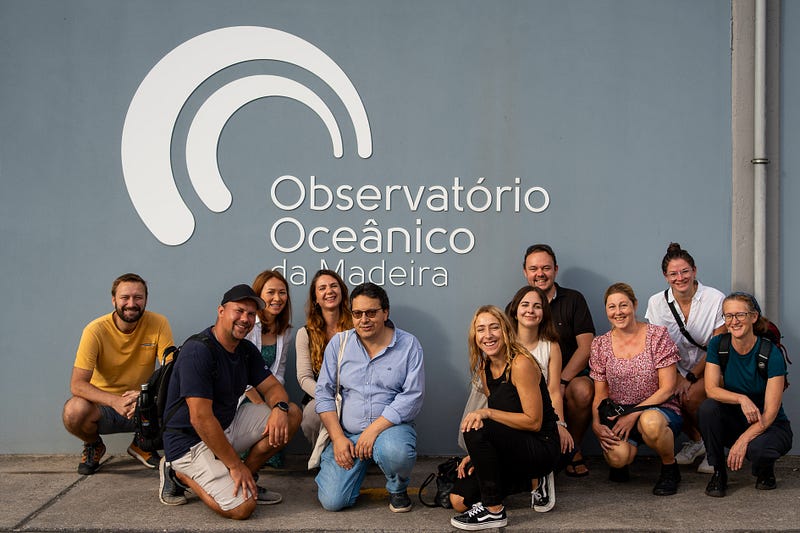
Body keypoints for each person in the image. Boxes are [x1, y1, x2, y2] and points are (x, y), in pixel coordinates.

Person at [159, 284, 301, 519]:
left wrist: (280, 407)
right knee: (242, 508)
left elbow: (273, 387)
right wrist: (235, 465)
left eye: (251, 314)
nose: (245, 319)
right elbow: (200, 418)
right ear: (221, 311)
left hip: (225, 427)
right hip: (190, 443)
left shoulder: (245, 349)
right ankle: (177, 473)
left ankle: (248, 479)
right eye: (239, 311)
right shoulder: (198, 350)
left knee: (292, 414)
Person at [315, 283, 424, 513]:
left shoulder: (409, 345)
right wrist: (337, 438)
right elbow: (323, 393)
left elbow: (412, 397)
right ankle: (347, 470)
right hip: (348, 436)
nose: (364, 319)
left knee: (396, 452)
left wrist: (373, 431)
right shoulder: (339, 344)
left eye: (371, 312)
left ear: (386, 312)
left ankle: (397, 488)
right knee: (333, 502)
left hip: (389, 430)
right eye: (357, 314)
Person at [449, 306, 559, 530]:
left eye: (494, 328)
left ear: (506, 330)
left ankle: (494, 511)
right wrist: (478, 454)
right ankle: (533, 482)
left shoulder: (521, 364)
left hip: (541, 446)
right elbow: (500, 424)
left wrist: (487, 413)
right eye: (481, 329)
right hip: (513, 445)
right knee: (459, 501)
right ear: (475, 336)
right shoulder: (484, 368)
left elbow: (534, 422)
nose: (487, 335)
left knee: (476, 426)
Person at [62, 273, 174, 475]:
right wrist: (114, 401)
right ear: (114, 300)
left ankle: (142, 445)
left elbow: (171, 370)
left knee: (181, 397)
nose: (131, 303)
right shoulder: (95, 330)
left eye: (138, 297)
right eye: (125, 297)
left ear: (146, 299)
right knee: (73, 412)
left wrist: (143, 397)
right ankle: (93, 445)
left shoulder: (159, 323)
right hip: (104, 406)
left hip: (142, 404)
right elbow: (77, 384)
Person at [590, 283, 682, 496]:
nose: (618, 312)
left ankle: (670, 468)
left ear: (634, 305)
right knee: (618, 457)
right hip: (619, 414)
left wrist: (635, 414)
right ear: (606, 310)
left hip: (659, 408)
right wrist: (596, 424)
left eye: (623, 305)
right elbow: (600, 394)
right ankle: (621, 465)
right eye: (612, 307)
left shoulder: (657, 336)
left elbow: (668, 388)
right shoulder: (600, 344)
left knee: (649, 423)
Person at [699, 292, 793, 497]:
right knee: (708, 408)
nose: (734, 321)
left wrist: (743, 441)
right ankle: (718, 473)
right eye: (729, 316)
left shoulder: (770, 353)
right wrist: (742, 399)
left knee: (757, 450)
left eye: (740, 315)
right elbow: (711, 389)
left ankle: (765, 469)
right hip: (736, 418)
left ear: (753, 317)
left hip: (770, 424)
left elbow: (770, 412)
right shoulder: (718, 345)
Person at [645, 243, 726, 474]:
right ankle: (699, 441)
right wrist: (675, 378)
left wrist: (690, 376)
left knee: (689, 398)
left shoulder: (714, 298)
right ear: (665, 276)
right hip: (675, 368)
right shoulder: (656, 303)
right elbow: (658, 346)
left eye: (685, 271)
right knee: (665, 394)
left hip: (711, 366)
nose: (680, 278)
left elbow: (717, 346)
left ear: (694, 271)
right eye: (673, 274)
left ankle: (715, 449)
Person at [523, 244, 595, 476]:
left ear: (555, 269)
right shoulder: (518, 306)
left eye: (545, 267)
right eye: (533, 268)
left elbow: (586, 348)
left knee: (582, 390)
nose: (540, 273)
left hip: (569, 376)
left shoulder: (574, 300)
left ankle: (571, 448)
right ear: (525, 272)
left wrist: (562, 382)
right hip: (531, 379)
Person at [505, 285, 573, 512]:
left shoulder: (551, 346)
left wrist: (560, 424)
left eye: (537, 306)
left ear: (544, 312)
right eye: (525, 305)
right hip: (510, 415)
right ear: (515, 310)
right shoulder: (504, 345)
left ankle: (542, 475)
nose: (530, 311)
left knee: (563, 447)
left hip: (540, 418)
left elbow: (554, 390)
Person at [295, 269, 353, 446]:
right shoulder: (304, 334)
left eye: (334, 286)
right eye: (322, 288)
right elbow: (304, 378)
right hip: (319, 397)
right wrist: (329, 398)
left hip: (353, 395)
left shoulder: (357, 328)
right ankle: (323, 459)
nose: (329, 291)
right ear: (315, 299)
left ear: (342, 292)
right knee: (312, 416)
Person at [243, 270, 293, 467]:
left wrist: (274, 404)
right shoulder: (246, 323)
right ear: (259, 296)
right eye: (271, 292)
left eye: (282, 292)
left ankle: (254, 465)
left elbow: (278, 374)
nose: (277, 298)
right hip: (242, 397)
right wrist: (260, 404)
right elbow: (240, 375)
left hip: (269, 395)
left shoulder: (286, 331)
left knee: (290, 413)